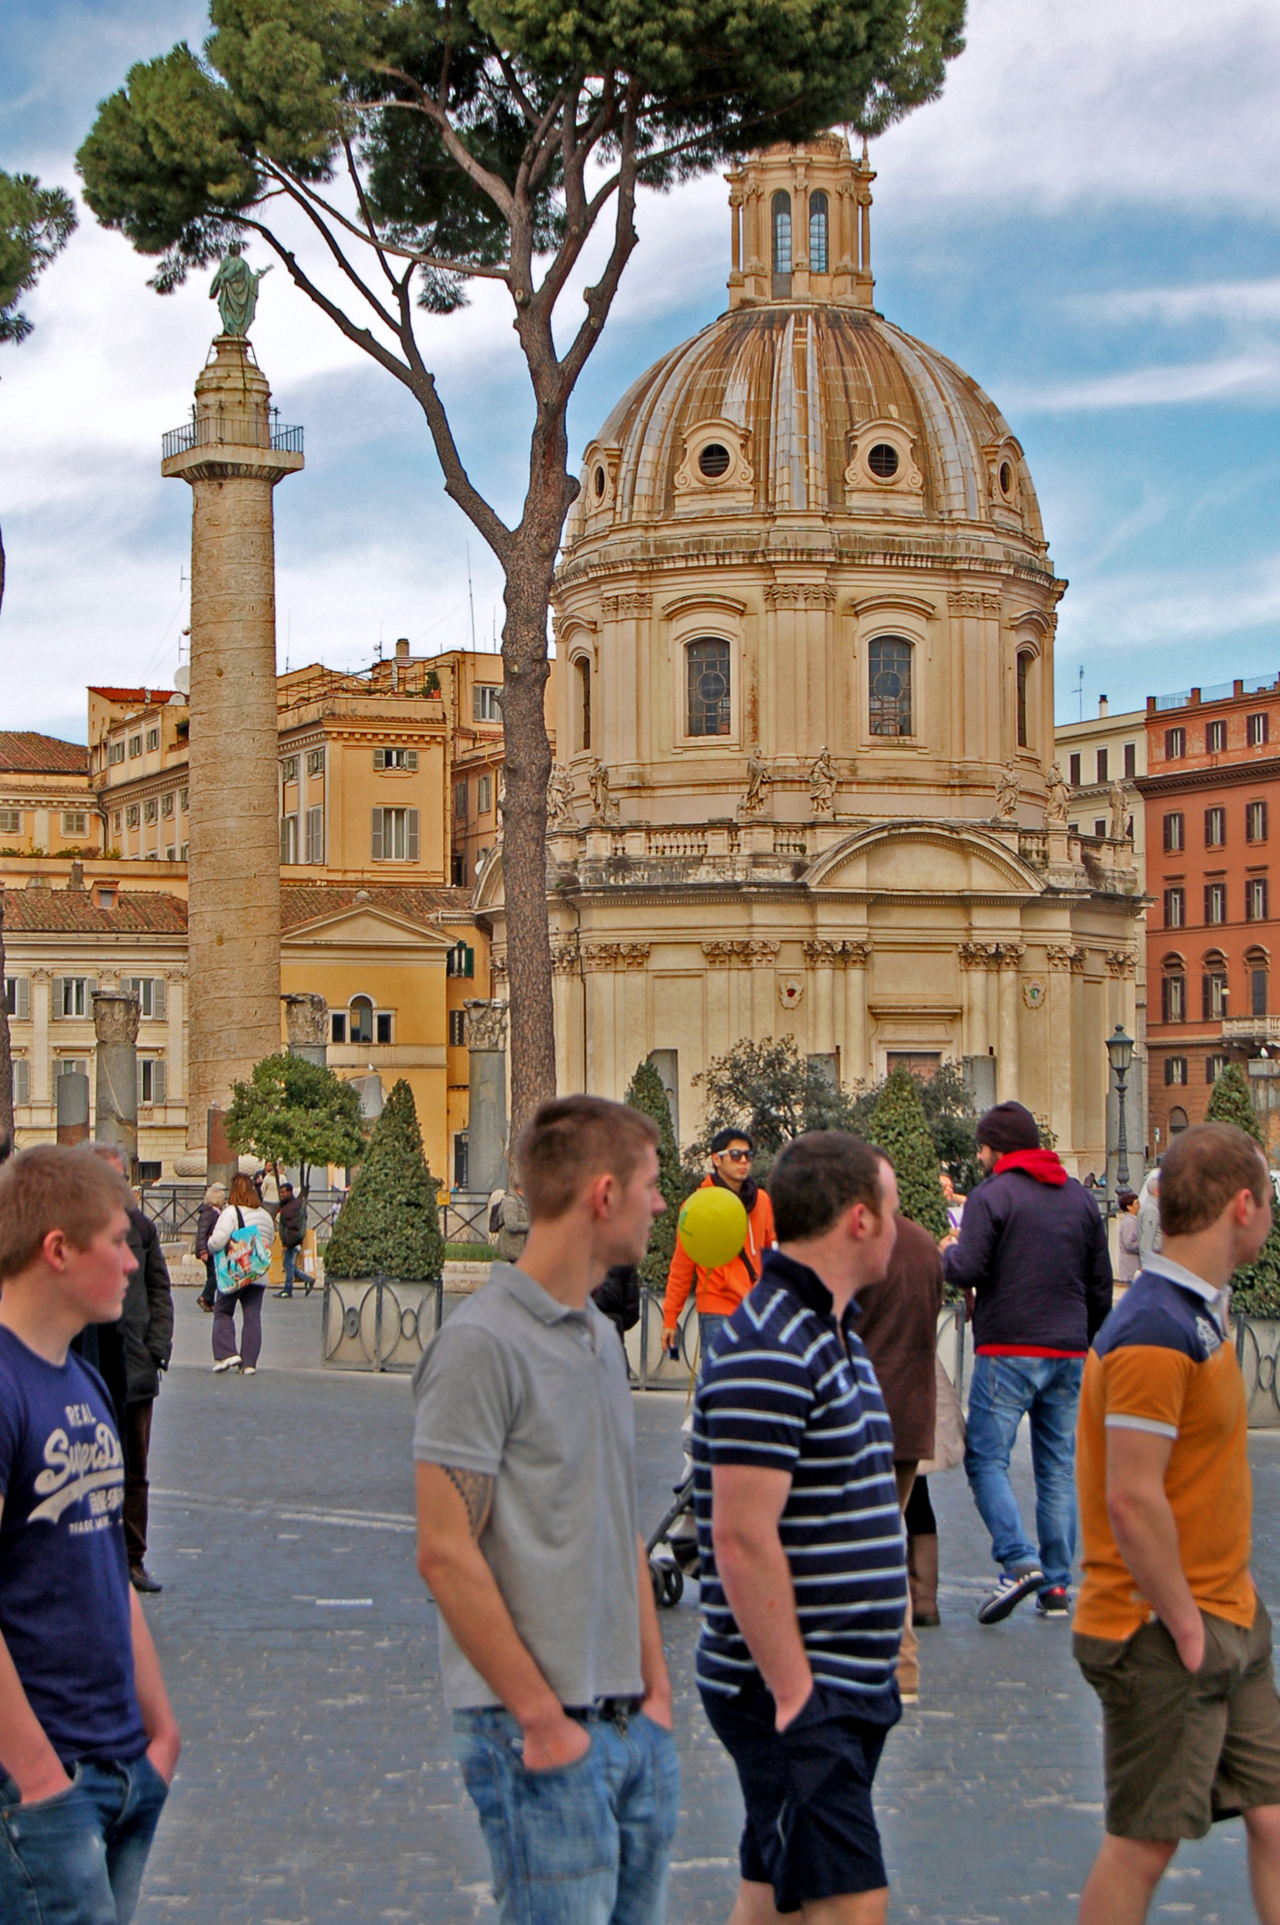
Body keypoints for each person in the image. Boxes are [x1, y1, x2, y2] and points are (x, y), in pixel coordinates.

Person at [413, 1096, 679, 1925]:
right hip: (534, 1731)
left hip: (626, 1723)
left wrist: (655, 1699)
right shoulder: (482, 1343)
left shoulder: (598, 1336)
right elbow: (445, 1550)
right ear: (604, 1195)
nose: (663, 1204)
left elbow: (620, 1524)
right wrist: (540, 1718)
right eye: (651, 1184)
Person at [693, 1131, 907, 1925]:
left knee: (774, 1886)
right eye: (891, 1207)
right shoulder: (773, 1340)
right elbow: (742, 1536)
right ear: (859, 1218)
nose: (900, 1223)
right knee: (851, 1899)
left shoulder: (827, 1328)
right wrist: (795, 1692)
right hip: (792, 1684)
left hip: (832, 1679)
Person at [1074, 1122, 1280, 1925]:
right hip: (1158, 1625)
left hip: (1227, 1613)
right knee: (1143, 1843)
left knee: (1272, 1815)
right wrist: (1187, 1625)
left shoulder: (1196, 1314)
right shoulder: (1155, 1330)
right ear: (1242, 1205)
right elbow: (1132, 1495)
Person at [0, 1144, 180, 1923]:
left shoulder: (84, 1377)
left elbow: (106, 1560)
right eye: (116, 1240)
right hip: (41, 1780)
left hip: (118, 1762)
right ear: (58, 1249)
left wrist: (160, 1730)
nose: (132, 1262)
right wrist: (38, 1776)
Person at [944, 1100, 1112, 1624]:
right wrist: (1082, 1337)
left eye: (982, 1147)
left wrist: (944, 1252)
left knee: (986, 1458)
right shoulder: (1079, 1199)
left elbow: (967, 1266)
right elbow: (1100, 1284)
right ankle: (1058, 1587)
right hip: (1067, 1350)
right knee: (1057, 1468)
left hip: (1007, 1349)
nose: (979, 1156)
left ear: (996, 1149)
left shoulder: (991, 1197)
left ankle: (1018, 1560)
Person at [855, 1213, 945, 1702]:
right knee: (890, 1530)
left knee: (865, 1541)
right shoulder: (922, 1243)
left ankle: (894, 1662)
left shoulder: (854, 1242)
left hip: (859, 1412)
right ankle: (902, 1663)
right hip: (910, 1411)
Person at [87, 1144, 174, 1597]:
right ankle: (94, 1561)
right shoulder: (76, 1229)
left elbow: (160, 1288)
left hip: (136, 1368)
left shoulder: (141, 1228)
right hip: (89, 1369)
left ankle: (132, 1558)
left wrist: (157, 1348)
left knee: (134, 1470)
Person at [662, 1126, 775, 1363]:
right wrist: (671, 1318)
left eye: (748, 1155)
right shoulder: (698, 1205)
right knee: (721, 1390)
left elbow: (773, 1253)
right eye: (735, 1155)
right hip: (716, 1308)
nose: (743, 1161)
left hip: (756, 1310)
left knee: (754, 1389)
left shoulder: (762, 1201)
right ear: (716, 1159)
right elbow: (682, 1266)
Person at [207, 1172, 275, 1376]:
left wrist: (209, 1245)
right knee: (253, 1316)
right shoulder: (265, 1215)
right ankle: (249, 1363)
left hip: (235, 1271)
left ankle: (227, 1352)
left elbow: (218, 1241)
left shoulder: (230, 1212)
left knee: (223, 1310)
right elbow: (269, 1241)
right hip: (257, 1272)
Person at [273, 1180, 313, 1298]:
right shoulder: (293, 1205)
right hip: (295, 1240)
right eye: (280, 1192)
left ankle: (288, 1289)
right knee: (288, 1264)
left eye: (283, 1192)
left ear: (290, 1192)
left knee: (289, 1264)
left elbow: (292, 1227)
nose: (281, 1195)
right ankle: (306, 1280)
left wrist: (287, 1243)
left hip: (292, 1241)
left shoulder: (291, 1208)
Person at [592, 1262, 641, 1351]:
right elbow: (631, 1314)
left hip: (578, 1338)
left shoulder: (574, 1253)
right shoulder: (623, 1256)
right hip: (614, 1338)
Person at [195, 1182, 226, 1312]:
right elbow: (202, 1232)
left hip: (211, 1248)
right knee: (215, 1275)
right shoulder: (209, 1213)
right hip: (209, 1249)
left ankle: (209, 1302)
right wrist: (203, 1250)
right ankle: (205, 1296)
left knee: (212, 1275)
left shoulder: (215, 1212)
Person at [1136, 1168, 1162, 1264]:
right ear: (1156, 1191)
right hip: (1155, 1261)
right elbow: (1146, 1241)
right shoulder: (1151, 1210)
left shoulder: (1153, 1208)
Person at [1116, 1190, 1141, 1285]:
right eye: (1136, 1203)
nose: (1139, 1205)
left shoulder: (1133, 1220)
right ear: (1129, 1207)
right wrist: (1143, 1246)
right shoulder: (1129, 1222)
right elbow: (1129, 1243)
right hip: (1130, 1266)